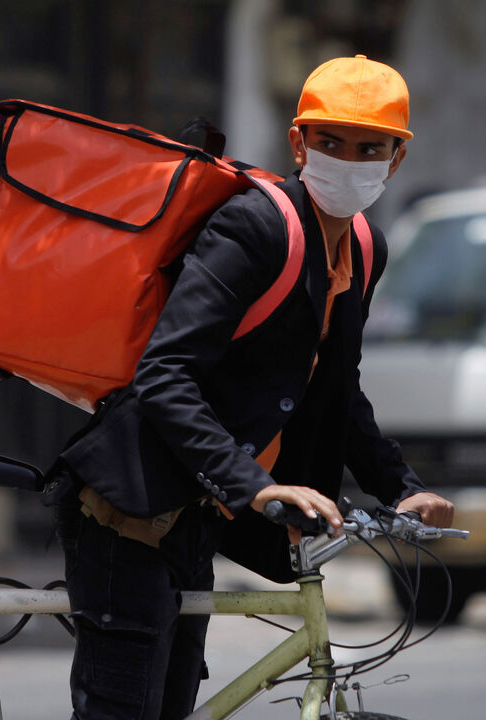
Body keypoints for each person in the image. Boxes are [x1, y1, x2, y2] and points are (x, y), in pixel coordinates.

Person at [44, 54, 455, 720]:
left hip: (196, 518)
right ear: (299, 143)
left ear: (397, 158)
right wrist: (256, 487)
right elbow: (166, 373)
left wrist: (402, 487)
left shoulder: (365, 248)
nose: (349, 161)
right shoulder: (254, 228)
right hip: (130, 511)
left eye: (369, 149)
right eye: (331, 142)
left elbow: (338, 390)